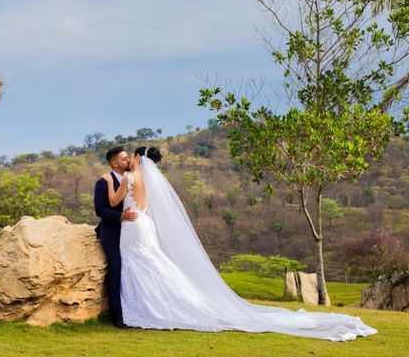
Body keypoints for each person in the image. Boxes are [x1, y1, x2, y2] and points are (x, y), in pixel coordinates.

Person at [101, 146, 377, 341]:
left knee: (140, 265)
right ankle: (161, 302)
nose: (127, 161)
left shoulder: (127, 177)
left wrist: (108, 181)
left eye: (129, 157)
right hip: (143, 224)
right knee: (151, 263)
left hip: (133, 227)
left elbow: (113, 201)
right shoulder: (150, 181)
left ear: (137, 158)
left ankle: (148, 307)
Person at [93, 146, 138, 328]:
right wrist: (120, 216)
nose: (128, 161)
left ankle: (134, 310)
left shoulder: (132, 179)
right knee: (115, 270)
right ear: (114, 163)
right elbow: (100, 209)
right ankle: (117, 317)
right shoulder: (104, 182)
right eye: (124, 158)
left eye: (128, 158)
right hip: (111, 233)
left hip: (132, 234)